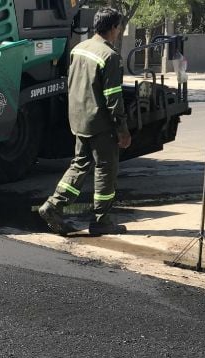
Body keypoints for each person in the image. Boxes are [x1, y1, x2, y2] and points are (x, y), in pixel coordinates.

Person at [37, 7, 131, 236]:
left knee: (79, 165)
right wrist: (123, 130)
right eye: (118, 28)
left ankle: (53, 205)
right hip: (101, 124)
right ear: (113, 28)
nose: (118, 32)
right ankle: (101, 221)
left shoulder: (79, 49)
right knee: (105, 171)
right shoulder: (110, 56)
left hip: (79, 119)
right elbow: (113, 97)